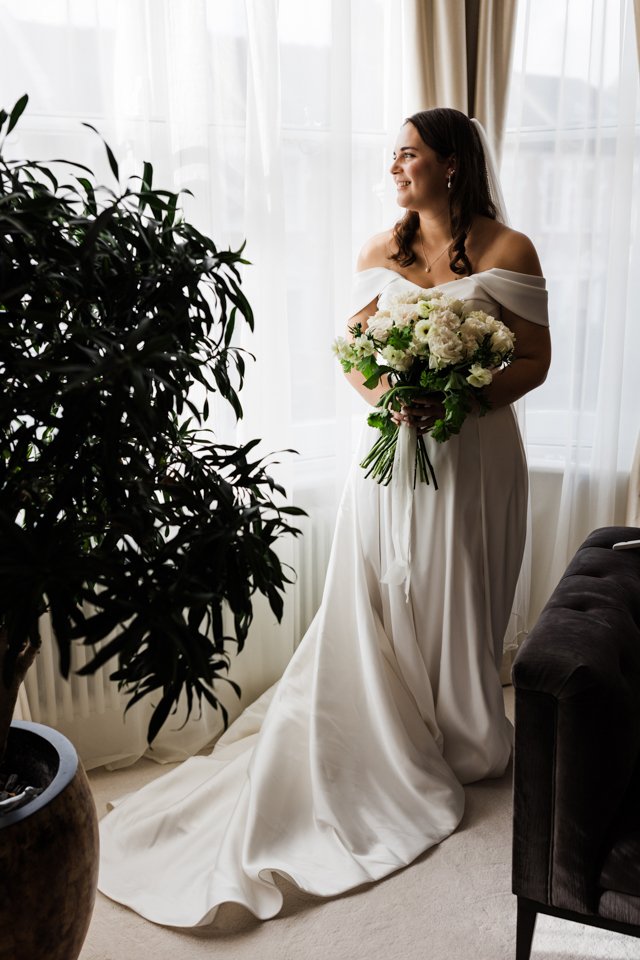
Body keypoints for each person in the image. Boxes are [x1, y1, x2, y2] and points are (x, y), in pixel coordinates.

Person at [97, 108, 550, 927]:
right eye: (394, 156)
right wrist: (394, 399)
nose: (394, 168)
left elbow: (534, 358)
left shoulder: (508, 251)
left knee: (462, 586)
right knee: (383, 587)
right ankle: (391, 729)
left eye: (408, 154)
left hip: (478, 457)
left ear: (451, 163)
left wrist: (460, 392)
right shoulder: (382, 251)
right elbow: (353, 354)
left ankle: (463, 729)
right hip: (394, 453)